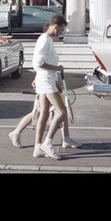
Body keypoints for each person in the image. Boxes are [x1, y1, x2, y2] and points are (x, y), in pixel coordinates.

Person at [30, 15, 69, 160]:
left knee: (45, 113)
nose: (61, 32)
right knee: (62, 112)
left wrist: (55, 78)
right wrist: (57, 69)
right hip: (45, 80)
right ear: (55, 26)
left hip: (46, 79)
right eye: (61, 29)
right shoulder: (45, 40)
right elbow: (39, 64)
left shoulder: (47, 40)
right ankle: (48, 142)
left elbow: (42, 64)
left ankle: (37, 147)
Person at [8, 75, 78, 150]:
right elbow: (44, 70)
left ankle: (66, 138)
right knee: (39, 113)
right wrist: (55, 83)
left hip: (50, 86)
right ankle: (16, 133)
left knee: (61, 110)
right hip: (46, 86)